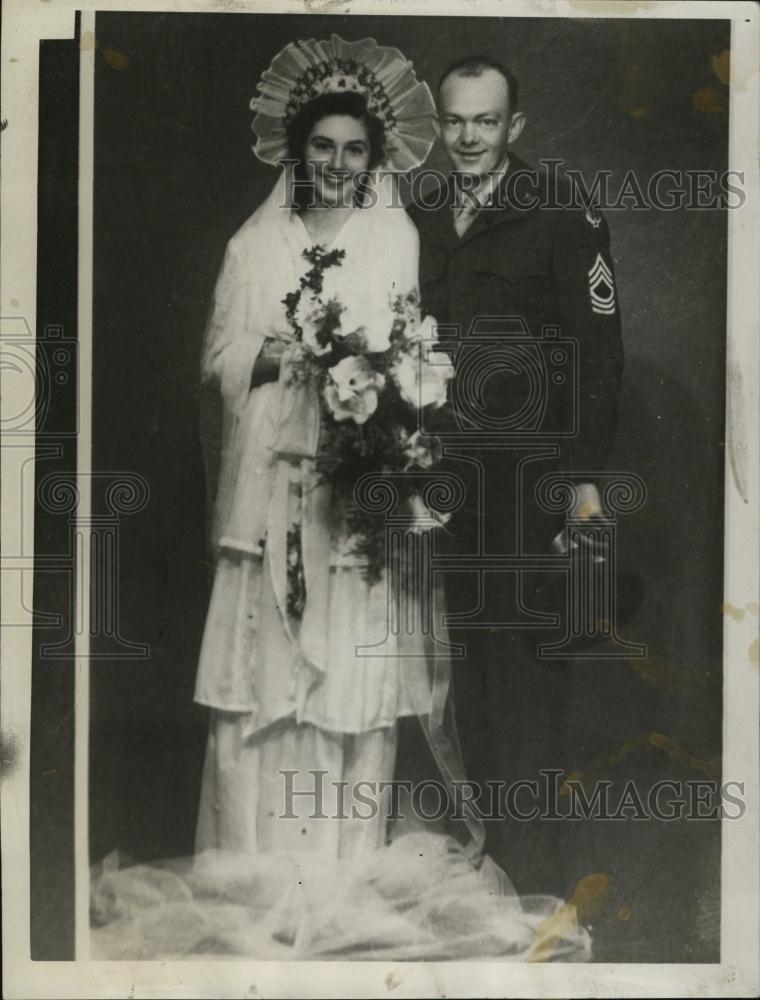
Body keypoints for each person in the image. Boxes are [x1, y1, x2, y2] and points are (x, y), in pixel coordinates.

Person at [90, 37, 591, 961]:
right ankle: (253, 870)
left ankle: (342, 871)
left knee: (354, 681)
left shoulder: (397, 237)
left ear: (376, 159)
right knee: (262, 685)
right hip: (270, 492)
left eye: (354, 150)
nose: (336, 164)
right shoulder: (256, 241)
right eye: (321, 147)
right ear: (297, 151)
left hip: (356, 496)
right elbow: (217, 360)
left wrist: (376, 380)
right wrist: (296, 354)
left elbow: (419, 351)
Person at [407, 56, 625, 897]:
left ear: (515, 129)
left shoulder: (562, 214)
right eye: (455, 122)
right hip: (439, 483)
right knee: (451, 668)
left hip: (524, 485)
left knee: (521, 680)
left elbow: (599, 359)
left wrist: (580, 483)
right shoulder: (420, 213)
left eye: (486, 122)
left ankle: (533, 879)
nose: (468, 138)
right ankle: (479, 865)